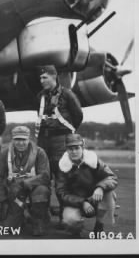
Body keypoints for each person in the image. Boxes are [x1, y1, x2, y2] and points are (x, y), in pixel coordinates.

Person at [34, 65, 83, 219]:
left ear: (54, 76)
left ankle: (66, 214)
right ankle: (43, 214)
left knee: (63, 177)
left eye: (45, 77)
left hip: (61, 141)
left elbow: (78, 116)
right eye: (40, 78)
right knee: (43, 177)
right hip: (43, 141)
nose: (41, 81)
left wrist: (63, 131)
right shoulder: (39, 97)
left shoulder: (68, 95)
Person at [0, 126, 51, 236]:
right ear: (12, 140)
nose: (21, 143)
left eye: (23, 139)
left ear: (29, 139)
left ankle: (39, 220)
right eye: (17, 139)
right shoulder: (4, 153)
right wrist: (4, 200)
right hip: (15, 193)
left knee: (41, 192)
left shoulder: (40, 152)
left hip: (35, 188)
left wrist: (27, 183)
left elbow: (45, 176)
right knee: (9, 228)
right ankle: (19, 215)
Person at [56, 133, 118, 236]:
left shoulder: (94, 161)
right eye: (70, 149)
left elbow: (112, 177)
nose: (74, 151)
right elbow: (61, 192)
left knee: (109, 193)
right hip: (76, 202)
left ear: (82, 147)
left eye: (77, 148)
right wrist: (82, 202)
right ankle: (76, 231)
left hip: (95, 198)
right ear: (66, 149)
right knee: (70, 220)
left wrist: (100, 188)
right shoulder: (63, 166)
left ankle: (99, 225)